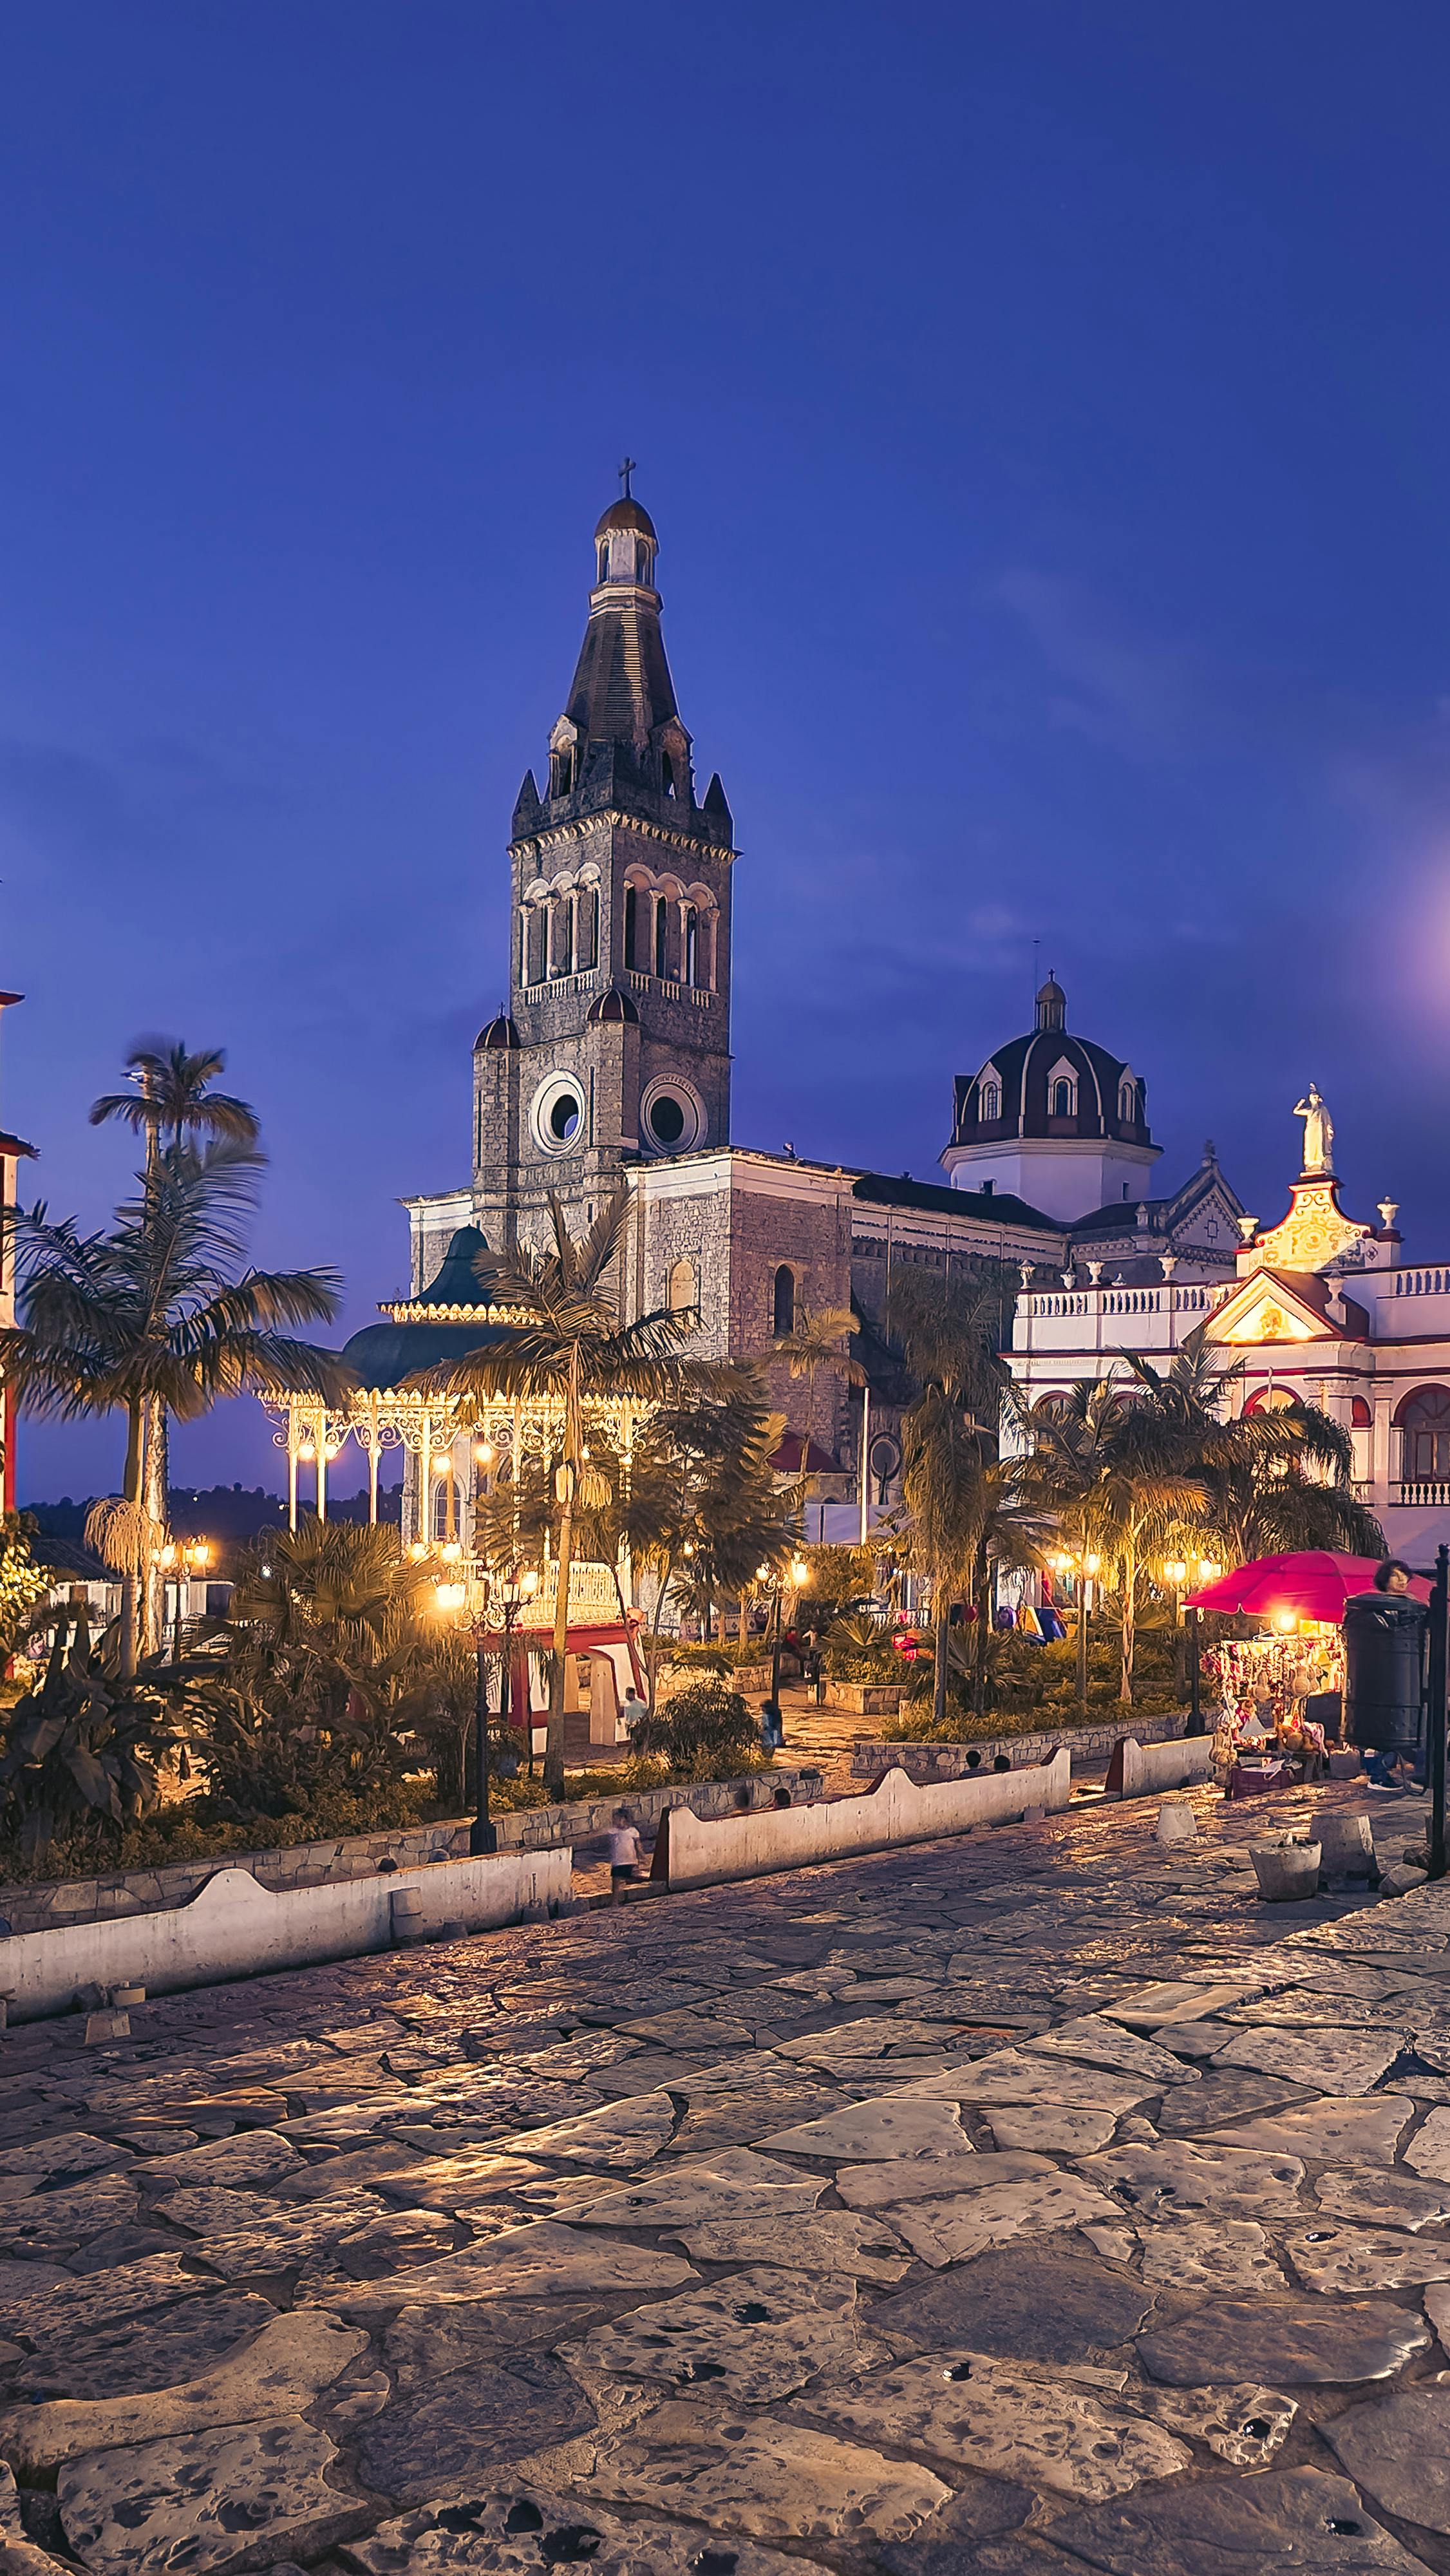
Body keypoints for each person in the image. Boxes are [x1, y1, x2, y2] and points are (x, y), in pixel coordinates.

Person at [605, 1806, 643, 1902]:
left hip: (630, 1859)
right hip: (618, 1861)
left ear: (623, 1819)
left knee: (629, 1877)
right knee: (616, 1883)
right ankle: (615, 1902)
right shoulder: (613, 1831)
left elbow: (638, 1845)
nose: (614, 1821)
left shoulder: (633, 1832)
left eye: (616, 1819)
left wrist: (642, 1856)